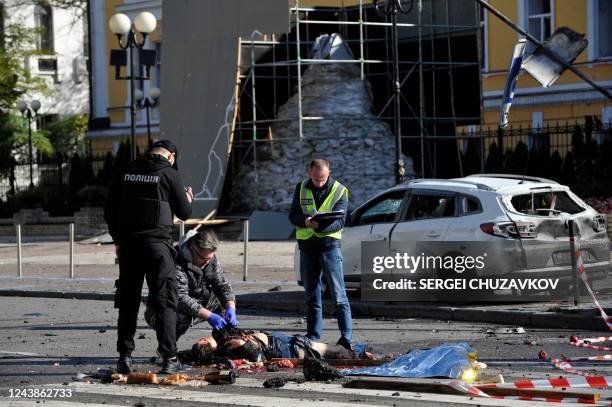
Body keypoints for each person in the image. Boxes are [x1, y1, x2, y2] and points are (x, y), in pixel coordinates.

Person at [104, 140, 192, 375]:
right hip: (158, 248)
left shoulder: (125, 171)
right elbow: (184, 213)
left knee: (128, 302)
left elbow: (109, 210)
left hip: (130, 247)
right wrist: (188, 198)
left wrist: (118, 240)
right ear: (171, 156)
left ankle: (124, 357)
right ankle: (170, 358)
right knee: (165, 302)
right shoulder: (170, 174)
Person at [288, 159, 353, 350]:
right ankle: (313, 336)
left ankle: (346, 338)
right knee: (312, 297)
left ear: (329, 173)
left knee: (339, 295)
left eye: (323, 178)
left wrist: (321, 226)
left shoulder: (340, 190)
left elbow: (341, 221)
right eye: (316, 179)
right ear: (309, 173)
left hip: (329, 247)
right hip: (307, 249)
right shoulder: (301, 188)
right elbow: (293, 215)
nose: (320, 182)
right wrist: (305, 221)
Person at [144, 229, 238, 340]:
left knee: (225, 303)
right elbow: (181, 298)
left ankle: (225, 342)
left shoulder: (208, 257)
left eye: (210, 258)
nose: (207, 262)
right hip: (163, 309)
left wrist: (230, 307)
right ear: (192, 248)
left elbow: (221, 283)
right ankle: (167, 349)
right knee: (180, 317)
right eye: (203, 258)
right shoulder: (174, 260)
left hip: (199, 298)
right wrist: (209, 316)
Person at [183, 327, 372, 365]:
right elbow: (254, 356)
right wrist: (244, 344)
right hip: (282, 347)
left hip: (279, 343)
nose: (204, 337)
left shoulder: (222, 344)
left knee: (331, 352)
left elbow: (187, 354)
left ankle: (361, 353)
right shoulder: (228, 347)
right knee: (333, 351)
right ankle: (366, 355)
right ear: (209, 347)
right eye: (204, 340)